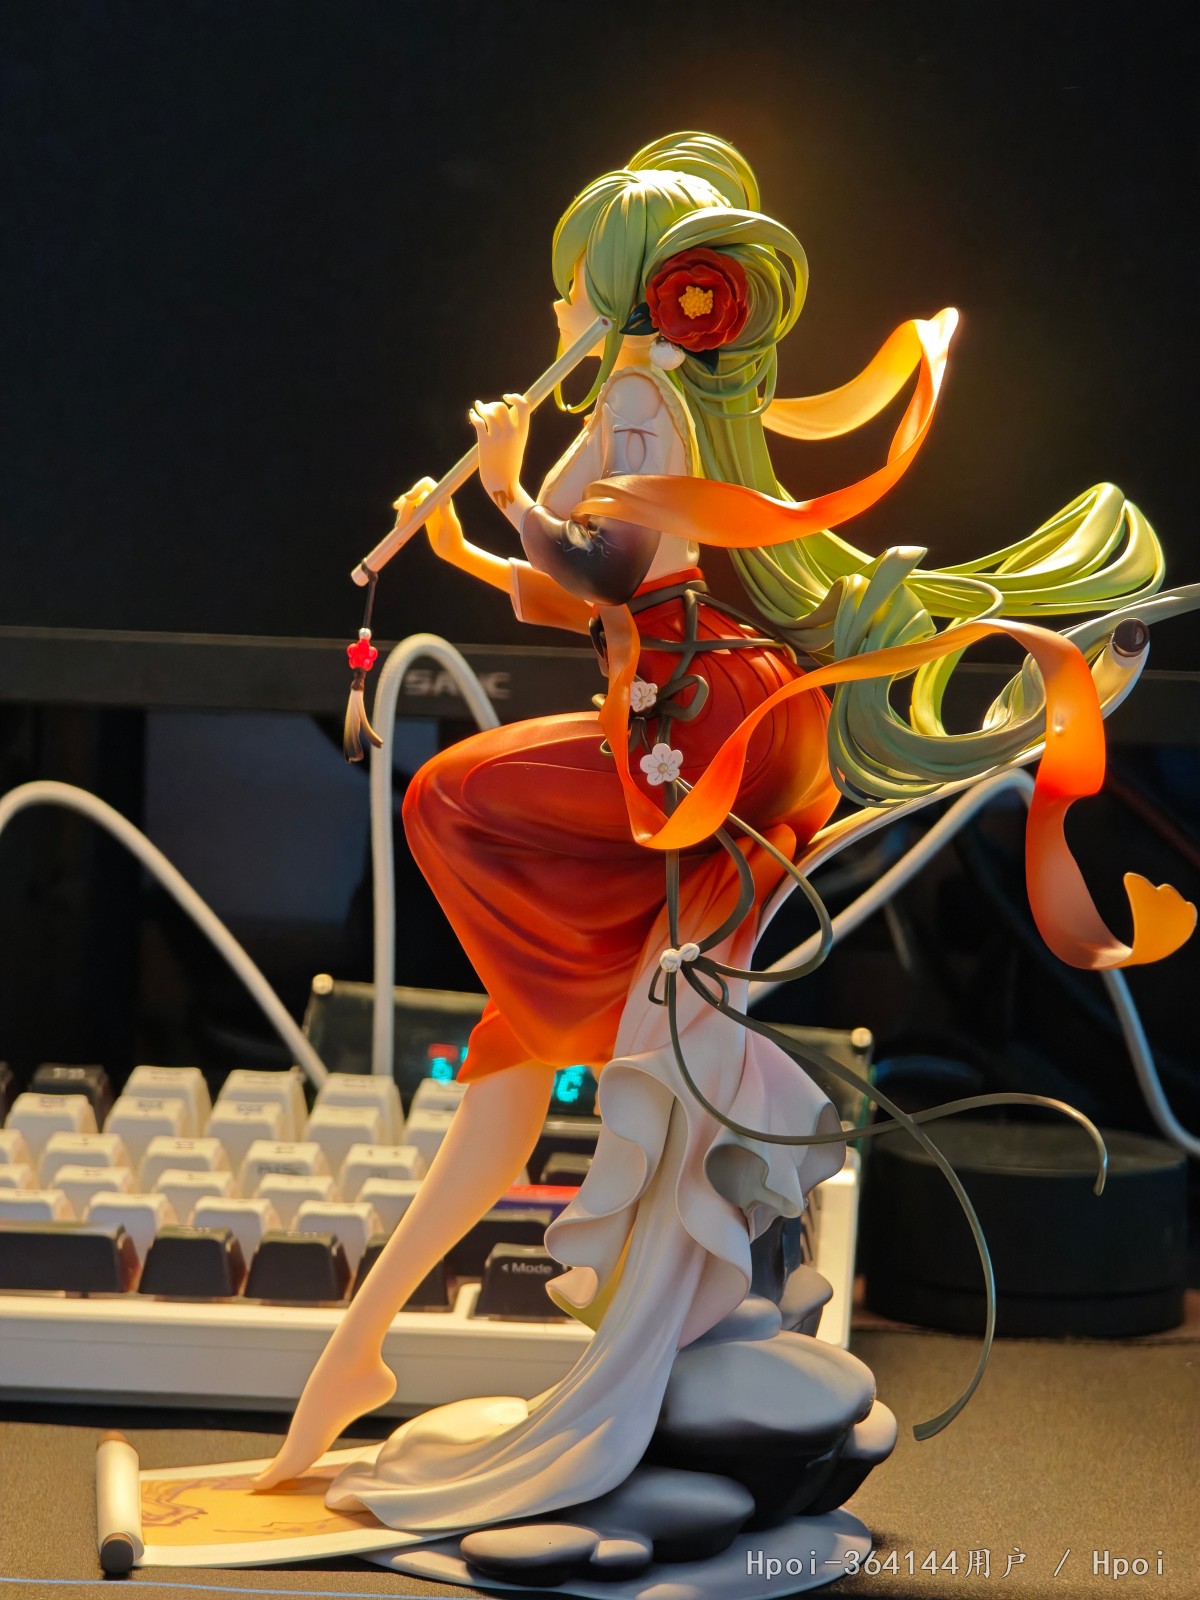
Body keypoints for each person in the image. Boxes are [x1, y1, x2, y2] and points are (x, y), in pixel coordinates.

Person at [255, 133, 1194, 1523]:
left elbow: (610, 563)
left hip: (701, 735)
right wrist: (462, 541)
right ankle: (376, 1326)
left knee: (449, 796)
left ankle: (587, 1033)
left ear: (620, 287)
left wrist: (507, 483)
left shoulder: (644, 391)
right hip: (694, 719)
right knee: (523, 1020)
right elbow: (569, 592)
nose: (557, 308)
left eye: (574, 281)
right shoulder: (644, 397)